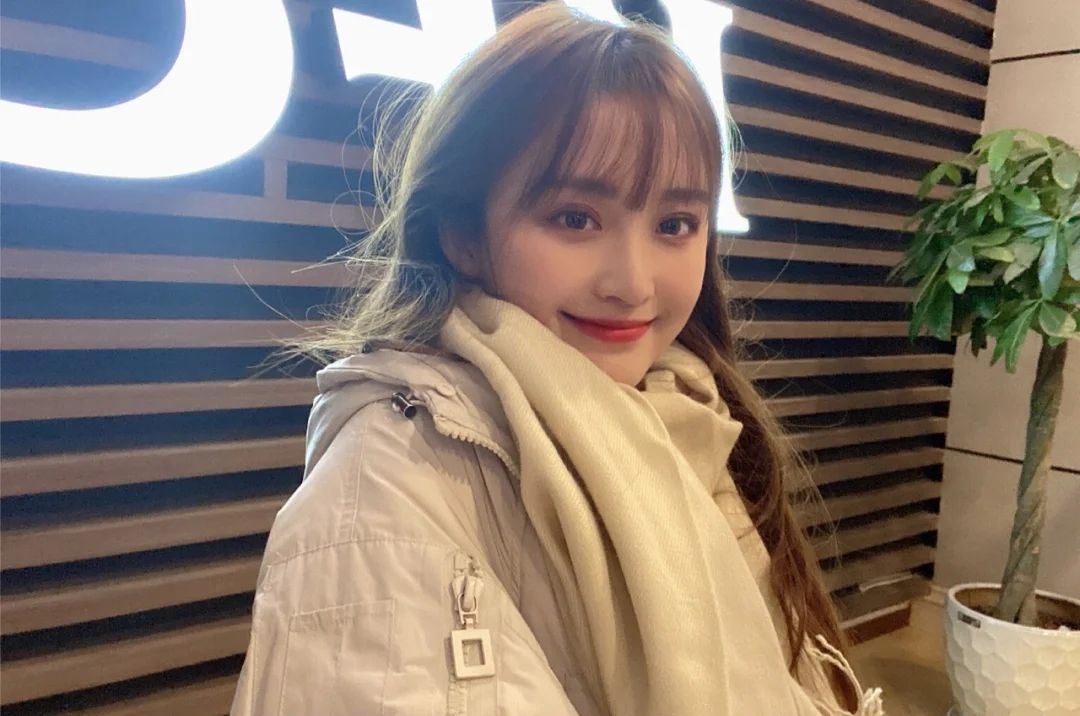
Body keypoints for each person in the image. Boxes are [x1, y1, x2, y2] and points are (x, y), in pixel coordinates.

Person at [230, 3, 885, 714]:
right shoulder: (390, 479)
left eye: (674, 224)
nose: (632, 283)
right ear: (464, 234)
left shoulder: (691, 415)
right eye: (576, 218)